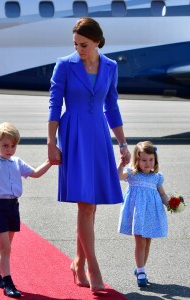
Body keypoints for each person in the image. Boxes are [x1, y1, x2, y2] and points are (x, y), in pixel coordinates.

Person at [47, 17, 131, 291]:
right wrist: (51, 141)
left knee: (91, 205)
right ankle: (93, 267)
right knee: (85, 203)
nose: (79, 49)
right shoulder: (64, 65)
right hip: (73, 135)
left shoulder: (110, 66)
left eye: (84, 45)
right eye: (75, 44)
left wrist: (122, 143)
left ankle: (78, 262)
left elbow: (112, 107)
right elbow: (54, 104)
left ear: (97, 41)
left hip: (98, 136)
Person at [0, 122, 52, 298]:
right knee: (5, 246)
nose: (9, 149)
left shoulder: (17, 162)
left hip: (13, 206)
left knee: (6, 245)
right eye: (5, 145)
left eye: (13, 146)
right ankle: (8, 282)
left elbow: (35, 173)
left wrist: (49, 162)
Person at [117, 141, 169, 287]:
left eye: (151, 160)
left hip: (151, 214)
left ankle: (141, 268)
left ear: (155, 160)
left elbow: (163, 194)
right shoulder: (132, 174)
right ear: (137, 160)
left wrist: (170, 203)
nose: (147, 163)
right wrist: (121, 164)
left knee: (147, 242)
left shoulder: (157, 177)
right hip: (137, 214)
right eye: (144, 160)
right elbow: (118, 176)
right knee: (139, 241)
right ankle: (141, 272)